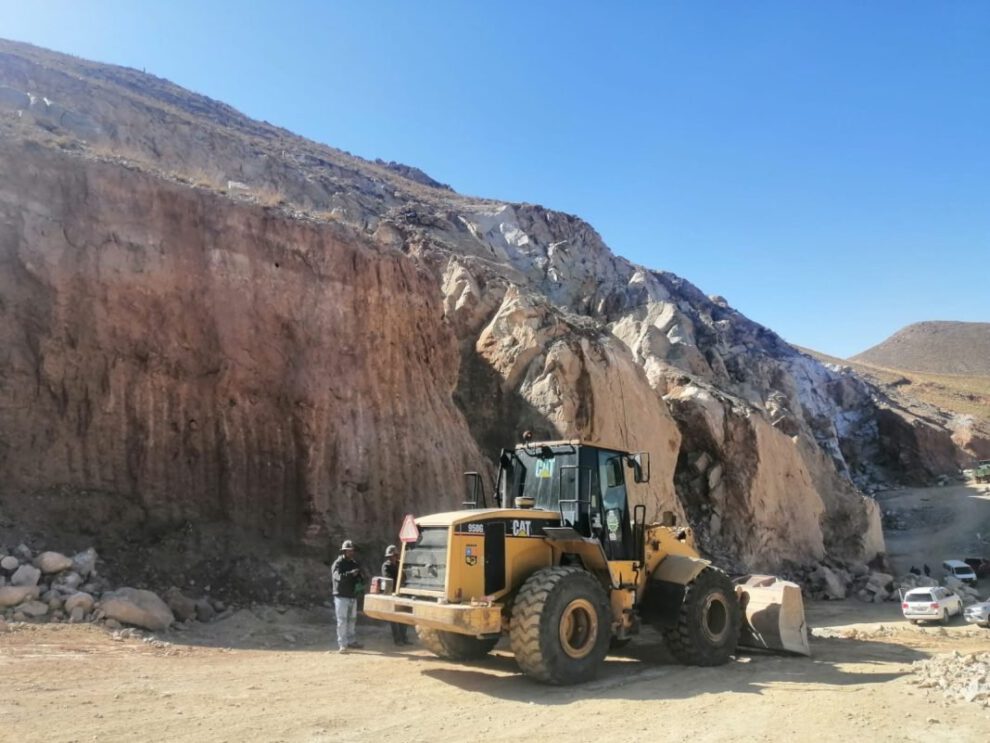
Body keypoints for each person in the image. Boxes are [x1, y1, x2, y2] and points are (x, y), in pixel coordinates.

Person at [331, 539, 365, 653]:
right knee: (342, 621)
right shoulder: (338, 563)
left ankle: (351, 641)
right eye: (348, 550)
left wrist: (360, 579)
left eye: (352, 550)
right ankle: (342, 644)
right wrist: (351, 574)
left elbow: (360, 578)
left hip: (352, 596)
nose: (351, 552)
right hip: (341, 596)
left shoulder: (354, 563)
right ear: (344, 551)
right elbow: (337, 577)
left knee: (352, 620)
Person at [381, 545, 410, 646]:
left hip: (402, 593)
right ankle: (397, 640)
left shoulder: (400, 564)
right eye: (390, 556)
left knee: (404, 617)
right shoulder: (386, 566)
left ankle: (404, 638)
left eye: (393, 555)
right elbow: (388, 579)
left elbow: (406, 576)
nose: (392, 557)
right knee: (394, 619)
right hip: (392, 594)